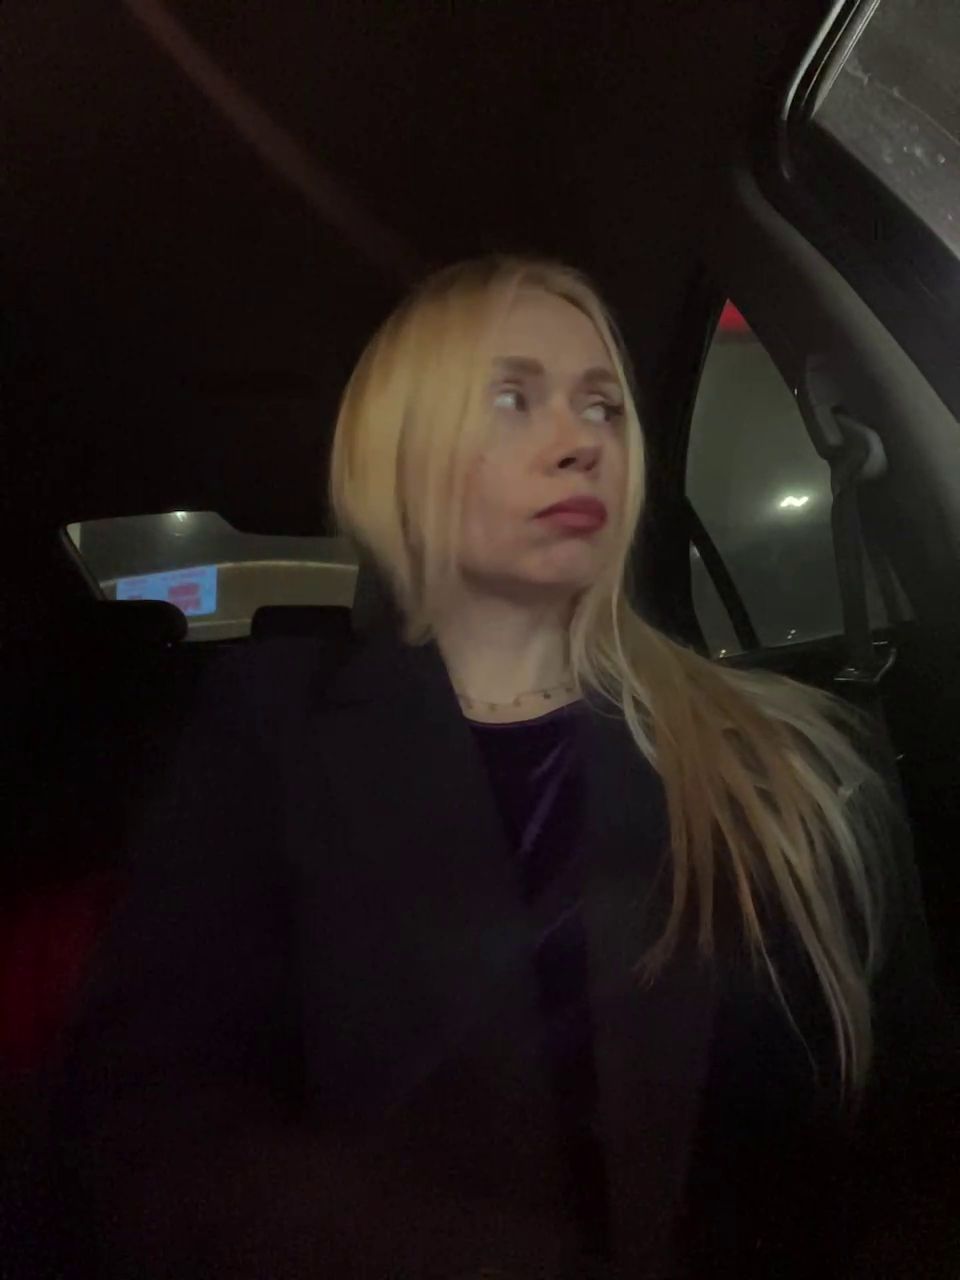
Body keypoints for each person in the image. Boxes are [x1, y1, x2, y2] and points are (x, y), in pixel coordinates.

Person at [17, 257, 957, 1279]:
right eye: (512, 399)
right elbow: (155, 1116)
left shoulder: (794, 758)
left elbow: (908, 1143)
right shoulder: (269, 730)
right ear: (399, 451)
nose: (581, 441)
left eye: (603, 407)